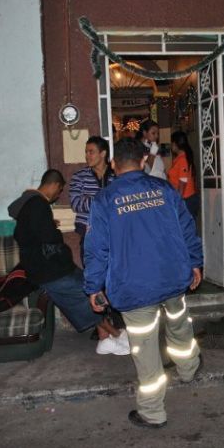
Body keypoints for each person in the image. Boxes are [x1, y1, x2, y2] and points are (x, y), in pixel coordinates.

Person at [83, 137, 203, 429]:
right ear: (142, 162)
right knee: (178, 323)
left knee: (146, 349)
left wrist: (93, 287)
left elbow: (96, 249)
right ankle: (189, 368)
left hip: (134, 287)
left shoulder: (105, 200)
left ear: (113, 165)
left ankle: (152, 412)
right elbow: (187, 227)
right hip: (173, 276)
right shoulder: (164, 189)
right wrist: (195, 263)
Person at [8, 169, 128, 354]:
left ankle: (105, 339)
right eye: (59, 190)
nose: (58, 195)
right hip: (50, 271)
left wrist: (49, 225)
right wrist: (54, 230)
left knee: (88, 287)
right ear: (54, 185)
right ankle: (116, 334)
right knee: (86, 294)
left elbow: (30, 233)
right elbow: (49, 237)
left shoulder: (27, 204)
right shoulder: (38, 204)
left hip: (46, 268)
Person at [69, 136, 123, 355]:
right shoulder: (79, 176)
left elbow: (121, 202)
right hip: (89, 235)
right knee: (95, 279)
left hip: (115, 235)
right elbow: (76, 204)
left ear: (103, 154)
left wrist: (97, 199)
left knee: (115, 277)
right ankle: (102, 325)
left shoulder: (116, 176)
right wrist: (103, 199)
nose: (87, 156)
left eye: (91, 151)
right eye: (86, 152)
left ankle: (116, 322)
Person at [168, 130, 200, 219]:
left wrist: (178, 202)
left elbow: (183, 182)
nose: (171, 146)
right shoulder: (180, 158)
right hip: (185, 199)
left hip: (186, 199)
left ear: (175, 144)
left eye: (171, 143)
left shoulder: (182, 159)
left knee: (186, 229)